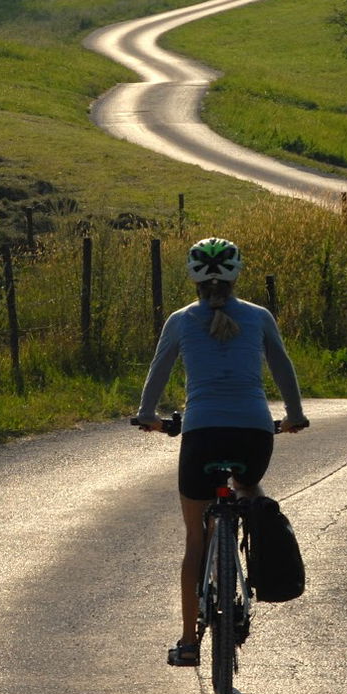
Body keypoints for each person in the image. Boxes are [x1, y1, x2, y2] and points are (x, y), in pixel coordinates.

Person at [134, 237, 309, 667]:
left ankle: (189, 642)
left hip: (201, 435)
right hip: (253, 434)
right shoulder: (259, 316)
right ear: (236, 274)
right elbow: (282, 366)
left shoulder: (180, 320)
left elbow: (159, 370)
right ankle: (259, 523)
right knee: (249, 486)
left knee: (197, 537)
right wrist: (295, 414)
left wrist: (146, 414)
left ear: (193, 278)